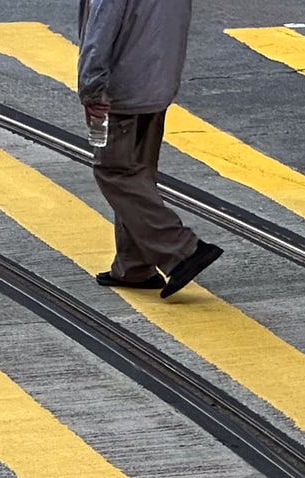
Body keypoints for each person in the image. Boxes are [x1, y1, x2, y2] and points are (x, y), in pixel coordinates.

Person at [79, 0, 222, 297]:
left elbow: (100, 32)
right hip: (157, 85)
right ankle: (134, 266)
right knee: (137, 174)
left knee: (114, 171)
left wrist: (91, 88)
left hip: (123, 90)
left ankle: (182, 249)